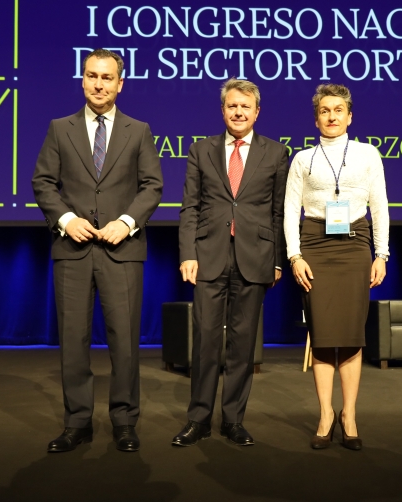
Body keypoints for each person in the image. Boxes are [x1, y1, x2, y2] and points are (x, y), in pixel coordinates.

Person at [32, 49, 163, 453]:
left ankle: (124, 422)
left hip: (122, 252)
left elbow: (152, 186)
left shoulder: (137, 130)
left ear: (120, 84)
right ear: (83, 80)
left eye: (107, 78)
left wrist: (125, 223)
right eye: (92, 76)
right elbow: (43, 183)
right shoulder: (60, 128)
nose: (99, 84)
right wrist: (66, 219)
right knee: (73, 340)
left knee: (124, 341)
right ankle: (77, 423)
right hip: (72, 250)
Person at [173, 78, 288, 447]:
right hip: (208, 257)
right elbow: (190, 207)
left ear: (257, 112)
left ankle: (233, 420)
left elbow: (279, 212)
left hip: (254, 259)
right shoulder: (200, 150)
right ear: (222, 110)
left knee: (242, 345)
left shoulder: (276, 153)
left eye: (245, 106)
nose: (238, 112)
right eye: (232, 106)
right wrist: (188, 253)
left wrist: (277, 261)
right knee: (206, 342)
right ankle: (199, 419)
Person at [284, 83, 389, 450]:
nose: (332, 116)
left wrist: (381, 254)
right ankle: (326, 413)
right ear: (316, 118)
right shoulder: (302, 159)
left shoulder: (367, 154)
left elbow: (380, 206)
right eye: (325, 111)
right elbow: (289, 211)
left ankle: (350, 414)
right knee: (324, 334)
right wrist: (294, 256)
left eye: (338, 110)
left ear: (349, 116)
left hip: (356, 245)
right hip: (314, 245)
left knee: (351, 335)